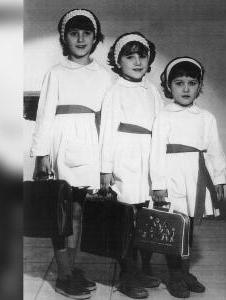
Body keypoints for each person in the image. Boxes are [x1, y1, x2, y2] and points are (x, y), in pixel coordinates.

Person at [30, 9, 112, 299]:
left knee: (78, 211)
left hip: (91, 144)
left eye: (86, 33)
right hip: (61, 144)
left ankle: (70, 267)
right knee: (60, 212)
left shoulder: (103, 75)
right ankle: (64, 273)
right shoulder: (56, 72)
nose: (80, 39)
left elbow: (109, 120)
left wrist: (107, 160)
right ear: (64, 38)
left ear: (95, 38)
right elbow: (44, 116)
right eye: (74, 33)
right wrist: (41, 156)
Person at [150, 57, 226, 298]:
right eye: (179, 83)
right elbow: (156, 152)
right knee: (174, 228)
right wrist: (159, 185)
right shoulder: (164, 116)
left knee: (189, 228)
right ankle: (174, 276)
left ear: (199, 87)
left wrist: (219, 179)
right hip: (172, 177)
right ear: (169, 87)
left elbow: (215, 150)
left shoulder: (206, 117)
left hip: (197, 178)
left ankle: (184, 271)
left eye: (191, 83)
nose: (185, 89)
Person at [99, 32, 163, 299]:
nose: (137, 61)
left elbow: (161, 128)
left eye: (142, 56)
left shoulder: (154, 92)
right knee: (125, 219)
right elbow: (106, 132)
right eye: (130, 56)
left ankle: (140, 269)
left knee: (145, 218)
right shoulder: (115, 91)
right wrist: (106, 168)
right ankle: (126, 275)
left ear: (149, 60)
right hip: (124, 156)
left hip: (150, 156)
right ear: (118, 61)